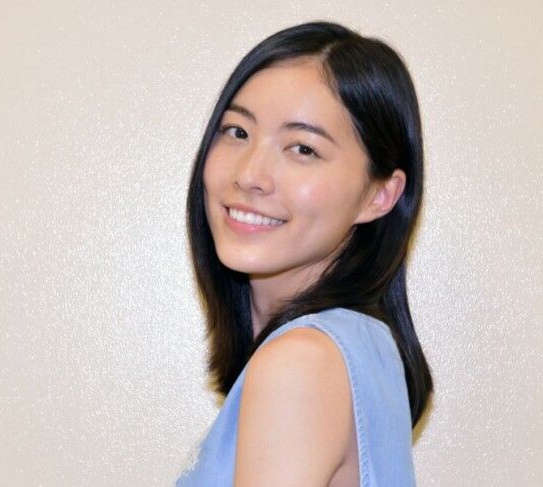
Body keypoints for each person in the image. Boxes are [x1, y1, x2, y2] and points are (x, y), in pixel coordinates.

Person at [175, 20, 433, 486]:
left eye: (302, 149)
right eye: (237, 131)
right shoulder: (362, 348)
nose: (250, 175)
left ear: (380, 195)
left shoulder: (301, 363)